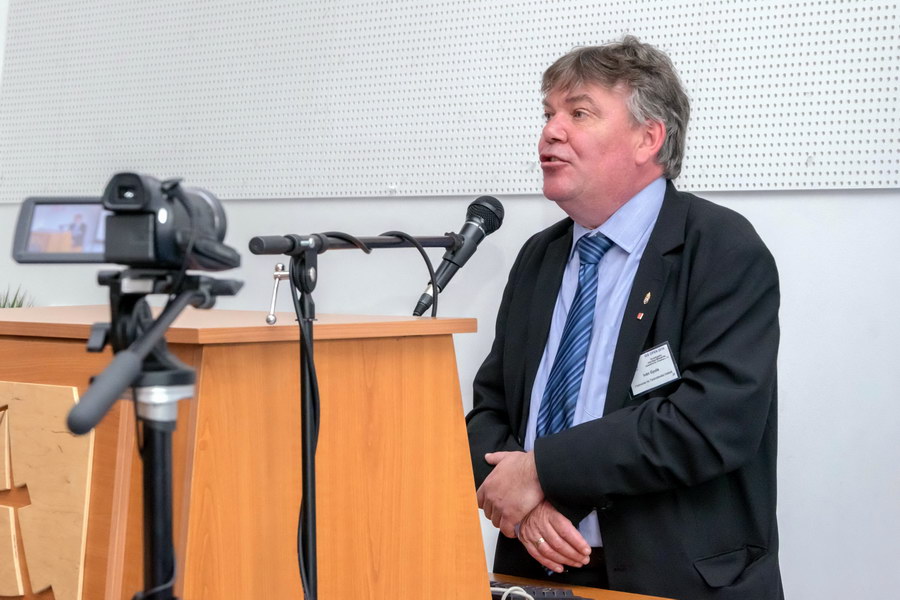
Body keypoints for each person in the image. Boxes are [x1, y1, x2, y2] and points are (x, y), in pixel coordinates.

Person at [466, 36, 784, 600]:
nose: (550, 131)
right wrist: (527, 507)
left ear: (648, 138)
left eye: (578, 113)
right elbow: (490, 408)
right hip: (535, 568)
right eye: (548, 113)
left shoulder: (721, 247)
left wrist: (542, 471)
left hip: (674, 579)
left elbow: (711, 422)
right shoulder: (540, 256)